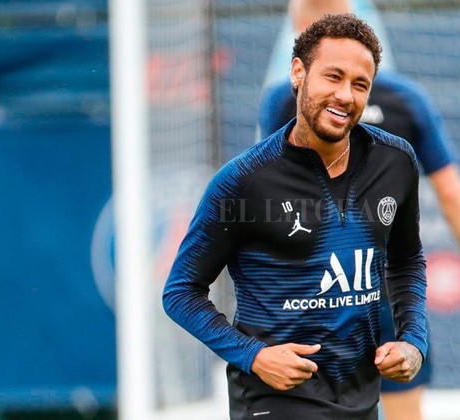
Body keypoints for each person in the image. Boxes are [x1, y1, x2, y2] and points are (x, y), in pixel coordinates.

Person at [257, 1, 460, 419]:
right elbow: (451, 192)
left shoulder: (285, 100)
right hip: (387, 291)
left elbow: (267, 195)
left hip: (311, 296)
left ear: (299, 35)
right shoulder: (406, 98)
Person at [163, 13, 428, 420]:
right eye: (333, 77)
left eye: (360, 84)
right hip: (274, 402)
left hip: (360, 400)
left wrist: (414, 341)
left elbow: (407, 260)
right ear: (298, 72)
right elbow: (181, 292)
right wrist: (254, 356)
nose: (345, 95)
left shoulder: (394, 161)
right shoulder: (243, 181)